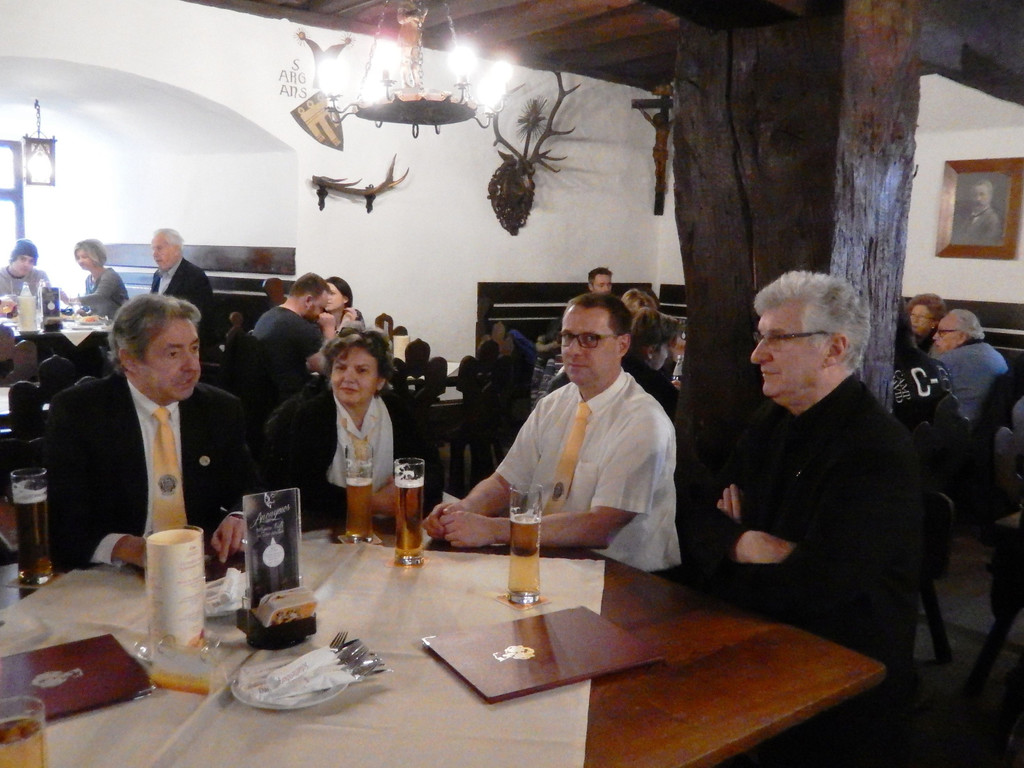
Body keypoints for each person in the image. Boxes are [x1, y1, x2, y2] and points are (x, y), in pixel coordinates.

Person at [682, 271, 922, 768]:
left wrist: (725, 553)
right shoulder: (772, 420)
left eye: (777, 338)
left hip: (842, 676)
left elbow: (819, 587)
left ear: (834, 348)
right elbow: (696, 516)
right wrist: (744, 545)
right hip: (761, 638)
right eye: (760, 337)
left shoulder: (876, 449)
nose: (757, 355)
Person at [425, 293, 679, 573]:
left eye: (590, 339)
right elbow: (505, 481)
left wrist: (494, 529)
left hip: (626, 577)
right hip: (552, 558)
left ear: (622, 344)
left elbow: (601, 526)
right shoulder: (554, 403)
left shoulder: (643, 420)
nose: (573, 350)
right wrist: (464, 510)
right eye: (568, 337)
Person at [45, 294, 262, 570]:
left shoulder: (219, 409)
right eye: (173, 354)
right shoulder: (80, 413)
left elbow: (250, 487)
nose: (192, 366)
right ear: (129, 360)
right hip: (112, 573)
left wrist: (239, 516)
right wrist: (128, 547)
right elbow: (63, 520)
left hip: (199, 567)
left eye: (194, 349)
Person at [262, 328, 443, 530]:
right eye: (340, 368)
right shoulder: (312, 414)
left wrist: (405, 492)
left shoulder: (396, 410)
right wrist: (374, 503)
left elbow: (432, 471)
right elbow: (304, 492)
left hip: (388, 527)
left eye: (361, 370)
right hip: (326, 529)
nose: (348, 378)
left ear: (380, 380)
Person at [253, 272, 334, 402]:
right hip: (289, 400)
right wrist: (329, 329)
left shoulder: (268, 316)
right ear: (308, 301)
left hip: (263, 395)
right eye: (321, 308)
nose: (321, 314)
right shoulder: (299, 326)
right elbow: (328, 368)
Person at [931, 308, 1008, 425]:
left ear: (962, 336)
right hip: (988, 428)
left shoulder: (948, 360)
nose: (935, 336)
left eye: (942, 332)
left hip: (956, 427)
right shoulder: (996, 355)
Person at [892, 310, 951, 431]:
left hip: (899, 434)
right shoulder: (939, 366)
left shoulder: (887, 366)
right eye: (913, 316)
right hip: (932, 435)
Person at [622, 307, 677, 417]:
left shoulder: (614, 371)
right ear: (651, 351)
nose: (667, 355)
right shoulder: (658, 387)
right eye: (667, 347)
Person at [63, 238, 129, 318]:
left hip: (118, 321)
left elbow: (99, 297)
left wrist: (72, 300)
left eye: (84, 257)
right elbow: (95, 309)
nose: (80, 261)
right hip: (102, 323)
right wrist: (86, 315)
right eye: (78, 258)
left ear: (97, 257)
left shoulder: (110, 276)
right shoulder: (88, 279)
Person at [954, 179, 1003, 245]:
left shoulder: (993, 220)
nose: (978, 199)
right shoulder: (964, 216)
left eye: (982, 194)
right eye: (974, 195)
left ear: (990, 196)